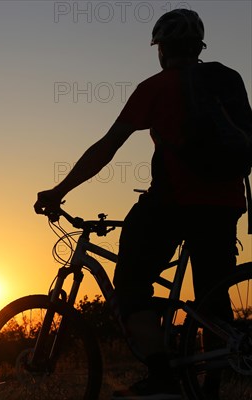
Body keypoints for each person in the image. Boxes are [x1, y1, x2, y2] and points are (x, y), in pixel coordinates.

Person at [33, 9, 250, 399]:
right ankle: (210, 388)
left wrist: (59, 189)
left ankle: (161, 377)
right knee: (213, 302)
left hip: (173, 202)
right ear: (199, 47)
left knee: (131, 284)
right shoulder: (228, 80)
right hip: (227, 202)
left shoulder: (156, 87)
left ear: (161, 50)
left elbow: (107, 147)